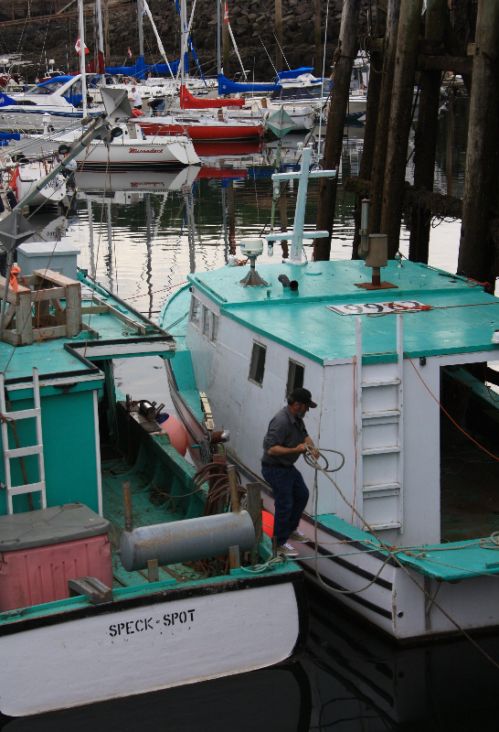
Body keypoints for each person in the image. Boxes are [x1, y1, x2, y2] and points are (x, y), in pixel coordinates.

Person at [261, 387, 319, 557]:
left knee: (302, 494)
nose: (307, 410)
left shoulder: (297, 419)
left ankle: (290, 529)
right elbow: (271, 449)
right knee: (285, 504)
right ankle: (279, 543)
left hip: (286, 468)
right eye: (306, 406)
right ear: (297, 405)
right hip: (274, 468)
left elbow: (305, 435)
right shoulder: (281, 421)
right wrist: (295, 449)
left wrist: (312, 448)